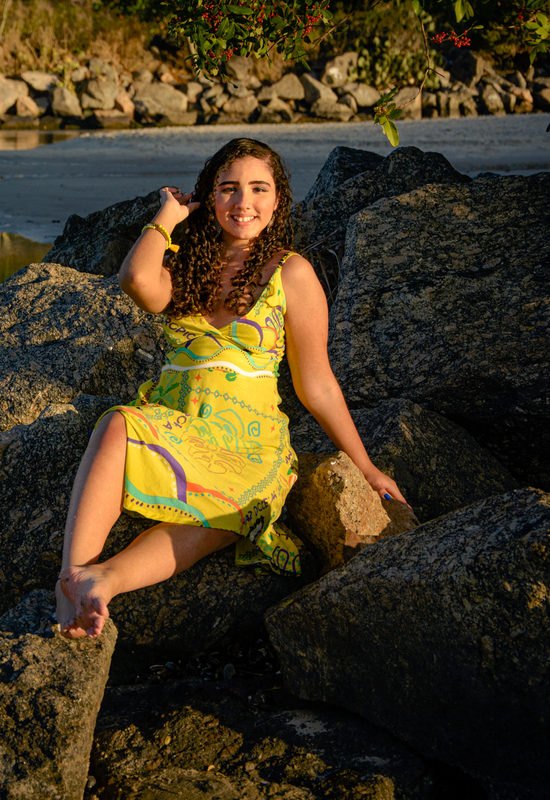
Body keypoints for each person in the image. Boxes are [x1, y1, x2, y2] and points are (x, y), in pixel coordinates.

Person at [55, 138, 407, 640]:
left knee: (222, 514)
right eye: (228, 189)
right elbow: (135, 280)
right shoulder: (185, 268)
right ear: (210, 197)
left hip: (248, 442)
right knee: (116, 422)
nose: (244, 203)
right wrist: (167, 218)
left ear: (278, 200)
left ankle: (104, 580)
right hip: (175, 421)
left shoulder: (292, 273)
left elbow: (317, 384)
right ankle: (72, 576)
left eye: (258, 188)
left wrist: (366, 467)